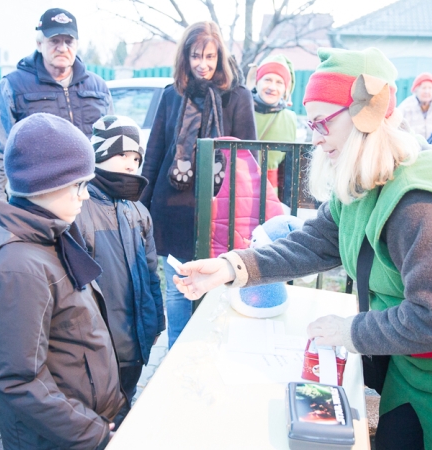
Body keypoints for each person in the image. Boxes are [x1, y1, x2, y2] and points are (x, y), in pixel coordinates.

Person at [172, 48, 432, 449]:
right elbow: (318, 240)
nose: (313, 137)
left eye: (321, 123)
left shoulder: (423, 202)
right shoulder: (367, 175)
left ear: (365, 114)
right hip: (416, 365)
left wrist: (350, 331)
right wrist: (233, 266)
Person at [0, 113, 124, 449]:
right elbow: (17, 378)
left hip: (78, 425)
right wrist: (93, 434)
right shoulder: (17, 268)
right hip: (55, 438)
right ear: (45, 183)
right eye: (79, 185)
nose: (85, 196)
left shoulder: (52, 236)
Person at [140, 21, 257, 348]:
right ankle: (177, 356)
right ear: (185, 57)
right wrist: (141, 206)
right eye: (195, 56)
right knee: (178, 289)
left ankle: (212, 353)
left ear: (220, 56)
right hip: (174, 211)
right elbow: (155, 153)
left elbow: (248, 159)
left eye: (209, 56)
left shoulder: (237, 97)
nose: (202, 64)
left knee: (220, 286)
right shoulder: (171, 95)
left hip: (220, 212)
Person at [75, 115, 165, 423]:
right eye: (121, 154)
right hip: (98, 347)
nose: (131, 163)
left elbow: (152, 273)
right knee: (97, 414)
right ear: (98, 155)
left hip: (135, 341)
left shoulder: (138, 211)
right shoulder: (79, 210)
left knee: (125, 403)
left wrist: (155, 323)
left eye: (136, 157)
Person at [0, 7, 114, 210]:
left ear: (77, 45)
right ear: (39, 44)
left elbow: (110, 146)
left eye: (69, 41)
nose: (62, 48)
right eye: (54, 41)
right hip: (39, 202)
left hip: (90, 200)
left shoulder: (98, 87)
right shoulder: (13, 86)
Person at [250, 55, 299, 191]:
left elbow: (288, 171)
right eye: (267, 79)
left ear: (285, 89)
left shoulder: (290, 119)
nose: (272, 87)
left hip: (271, 196)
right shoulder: (242, 110)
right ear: (257, 82)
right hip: (238, 192)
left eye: (279, 82)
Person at [397, 72, 432, 139]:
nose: (427, 91)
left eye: (430, 88)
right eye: (423, 88)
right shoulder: (406, 107)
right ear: (416, 90)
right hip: (412, 146)